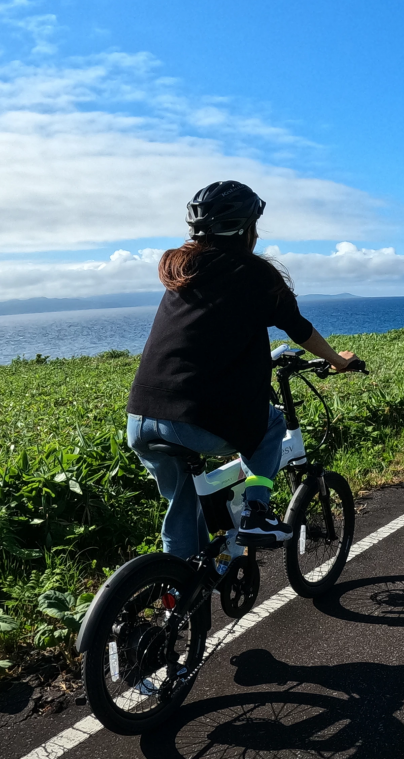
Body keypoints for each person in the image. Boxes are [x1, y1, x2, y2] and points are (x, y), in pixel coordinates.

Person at [126, 180, 359, 559]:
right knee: (271, 425)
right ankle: (256, 513)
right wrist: (338, 361)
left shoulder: (183, 270)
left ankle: (181, 594)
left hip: (141, 416)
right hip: (192, 419)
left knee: (184, 515)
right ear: (245, 228)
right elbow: (299, 330)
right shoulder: (255, 275)